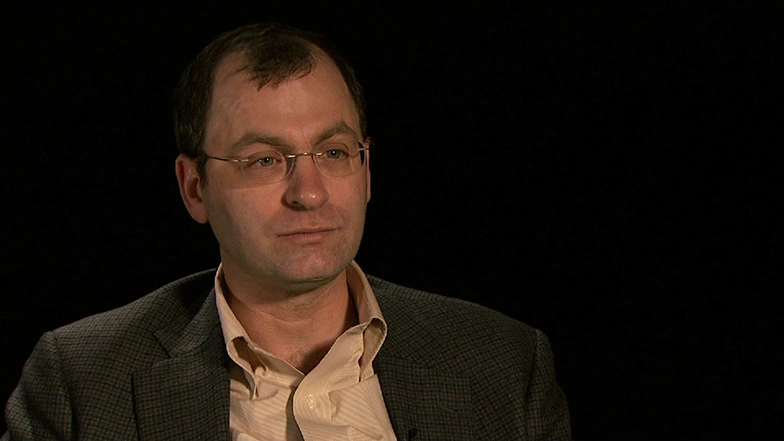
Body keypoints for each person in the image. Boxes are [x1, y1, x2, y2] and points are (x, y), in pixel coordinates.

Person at [3, 22, 571, 440]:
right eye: (264, 160)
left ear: (366, 170)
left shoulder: (503, 362)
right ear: (194, 188)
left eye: (333, 151)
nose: (310, 192)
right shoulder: (82, 380)